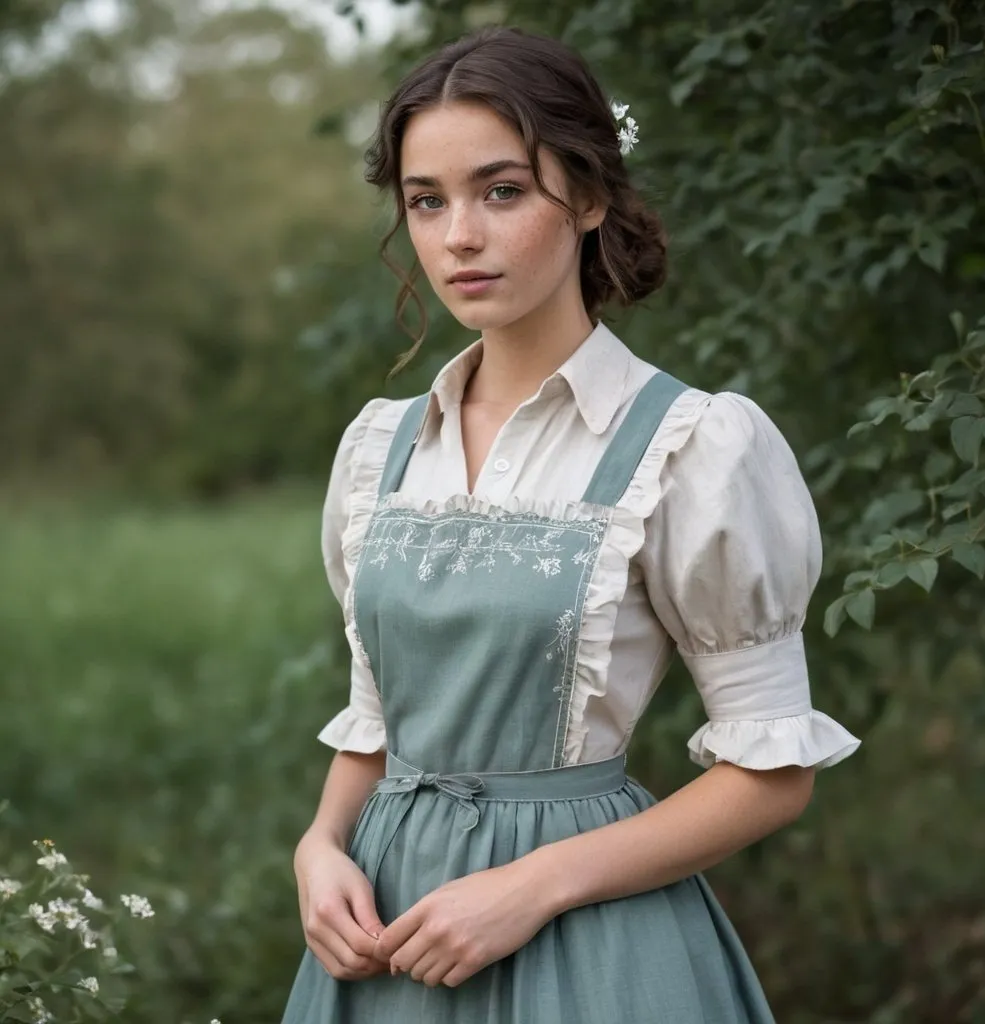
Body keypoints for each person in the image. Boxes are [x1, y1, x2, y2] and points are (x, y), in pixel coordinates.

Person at [280, 24, 860, 1024]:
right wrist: (320, 847)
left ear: (587, 198)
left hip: (586, 948)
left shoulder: (689, 446)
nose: (459, 234)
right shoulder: (381, 449)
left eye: (501, 191)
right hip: (387, 944)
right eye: (428, 201)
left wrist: (530, 886)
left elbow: (770, 773)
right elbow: (376, 722)